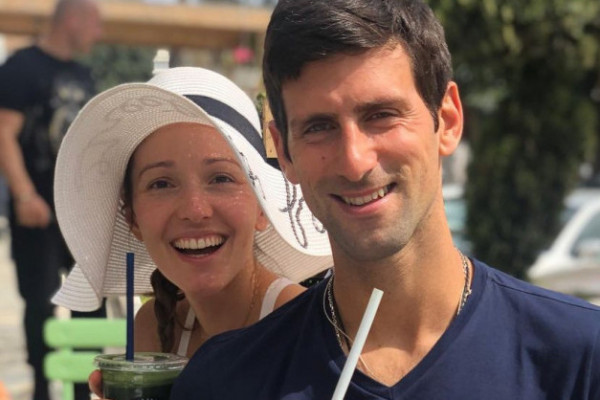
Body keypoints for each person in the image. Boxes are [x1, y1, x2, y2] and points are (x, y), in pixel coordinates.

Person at [170, 0, 600, 399]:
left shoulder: (578, 360)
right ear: (284, 153)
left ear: (448, 120)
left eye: (381, 115)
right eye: (319, 127)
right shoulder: (225, 381)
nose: (354, 161)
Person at [49, 67, 333, 396]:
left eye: (221, 178)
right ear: (132, 218)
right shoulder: (154, 330)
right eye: (161, 184)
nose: (195, 210)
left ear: (262, 206)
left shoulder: (308, 332)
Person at [0, 1, 103, 399]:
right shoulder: (21, 67)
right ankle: (42, 388)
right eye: (94, 24)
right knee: (40, 303)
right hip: (37, 213)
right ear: (73, 19)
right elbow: (3, 132)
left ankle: (84, 388)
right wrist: (25, 195)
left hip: (80, 213)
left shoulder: (83, 74)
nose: (98, 34)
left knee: (89, 303)